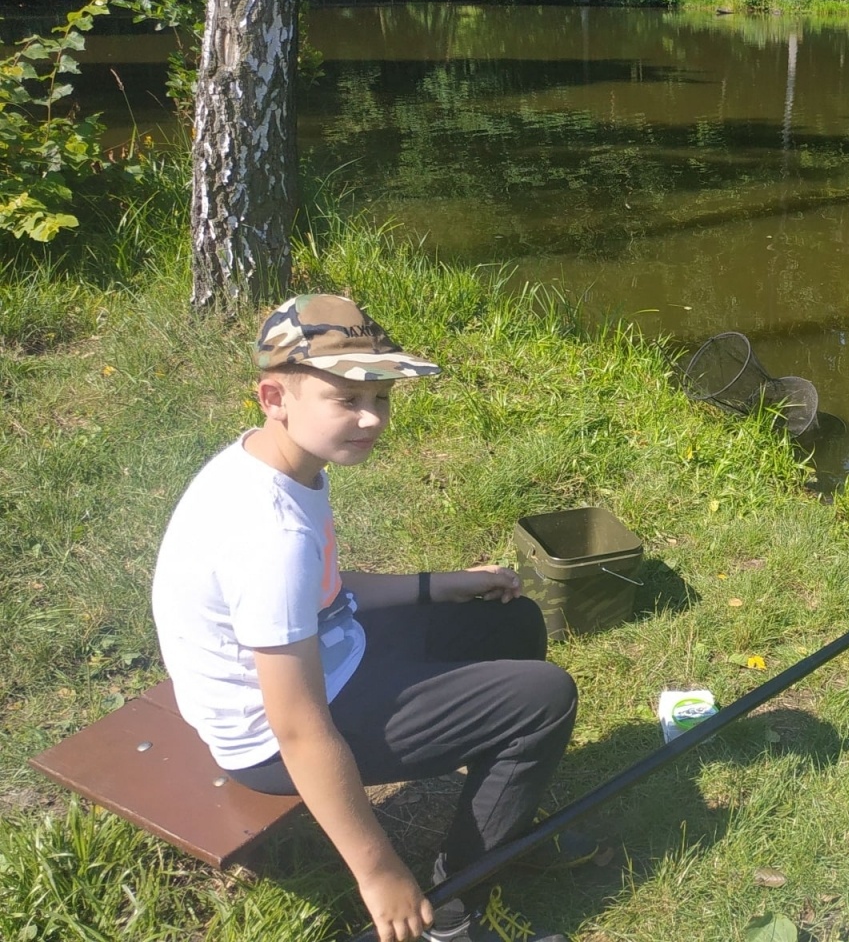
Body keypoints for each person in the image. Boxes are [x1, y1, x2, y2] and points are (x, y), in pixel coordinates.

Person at [151, 294, 583, 942]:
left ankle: (499, 823)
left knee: (513, 622)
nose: (372, 417)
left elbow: (322, 591)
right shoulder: (269, 535)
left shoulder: (280, 464)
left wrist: (444, 585)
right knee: (543, 700)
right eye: (347, 398)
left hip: (330, 658)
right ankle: (453, 916)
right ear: (274, 397)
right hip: (267, 740)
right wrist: (377, 870)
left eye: (381, 397)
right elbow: (297, 729)